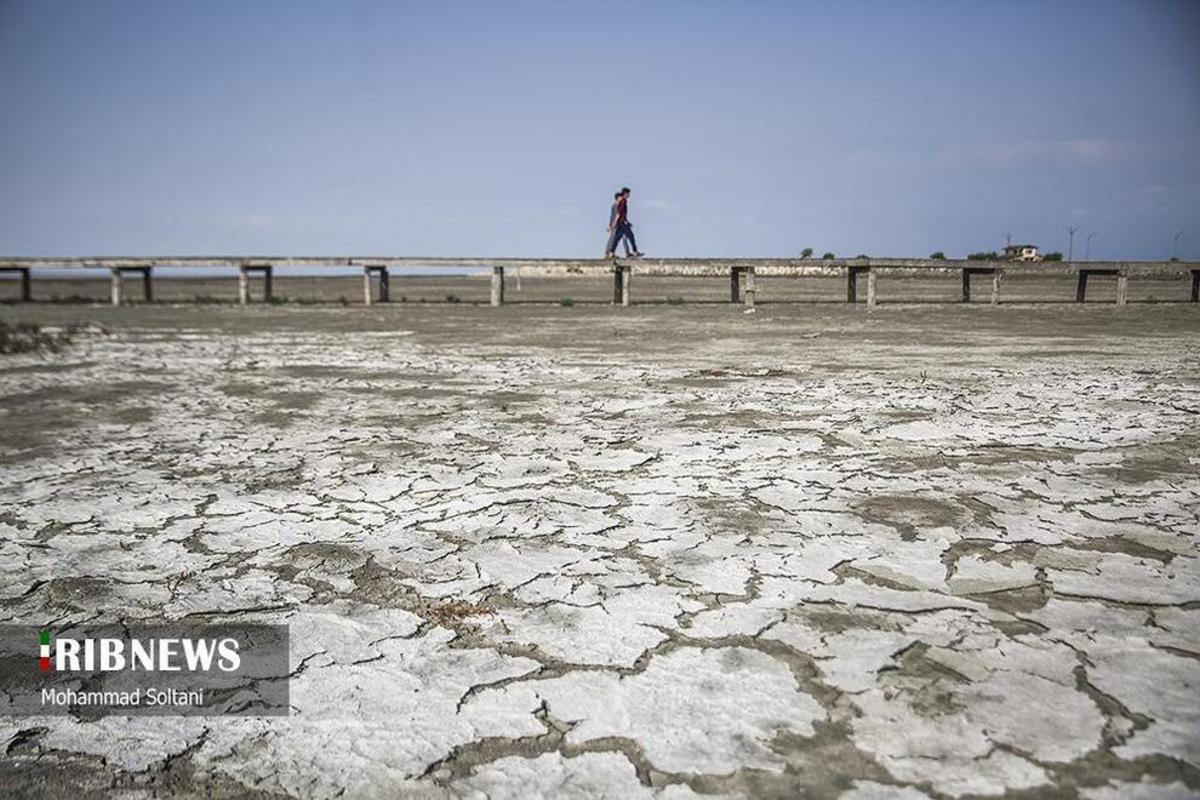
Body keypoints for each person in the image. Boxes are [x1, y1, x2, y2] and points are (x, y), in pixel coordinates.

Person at [605, 187, 644, 258]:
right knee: (629, 236)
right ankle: (635, 251)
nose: (629, 195)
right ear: (625, 194)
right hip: (621, 224)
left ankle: (611, 252)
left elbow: (623, 215)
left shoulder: (624, 202)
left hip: (622, 223)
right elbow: (618, 214)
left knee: (618, 238)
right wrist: (613, 225)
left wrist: (627, 222)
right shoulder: (622, 202)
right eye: (628, 194)